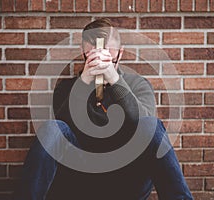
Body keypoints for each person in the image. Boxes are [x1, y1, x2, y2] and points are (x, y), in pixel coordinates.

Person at [16, 18, 193, 200]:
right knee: (53, 128)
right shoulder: (67, 88)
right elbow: (57, 138)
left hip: (127, 179)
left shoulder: (138, 84)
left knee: (152, 124)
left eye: (107, 52)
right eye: (92, 53)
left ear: (120, 53)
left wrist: (115, 80)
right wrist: (84, 83)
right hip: (78, 179)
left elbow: (147, 130)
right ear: (83, 52)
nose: (100, 58)